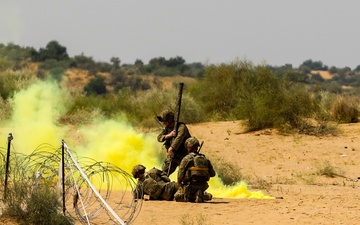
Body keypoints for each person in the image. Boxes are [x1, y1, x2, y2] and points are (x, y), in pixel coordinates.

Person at [174, 137, 215, 203]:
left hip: (190, 185)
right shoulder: (205, 159)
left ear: (188, 147)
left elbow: (180, 173)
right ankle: (201, 194)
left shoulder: (187, 158)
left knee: (177, 197)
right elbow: (213, 174)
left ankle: (195, 195)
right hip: (203, 185)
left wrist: (179, 183)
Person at [156, 109, 191, 176]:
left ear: (169, 120)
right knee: (163, 174)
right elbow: (159, 138)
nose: (163, 123)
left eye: (165, 121)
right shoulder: (167, 128)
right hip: (173, 156)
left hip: (184, 156)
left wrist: (171, 148)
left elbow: (179, 138)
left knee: (186, 175)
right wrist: (168, 135)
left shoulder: (181, 127)